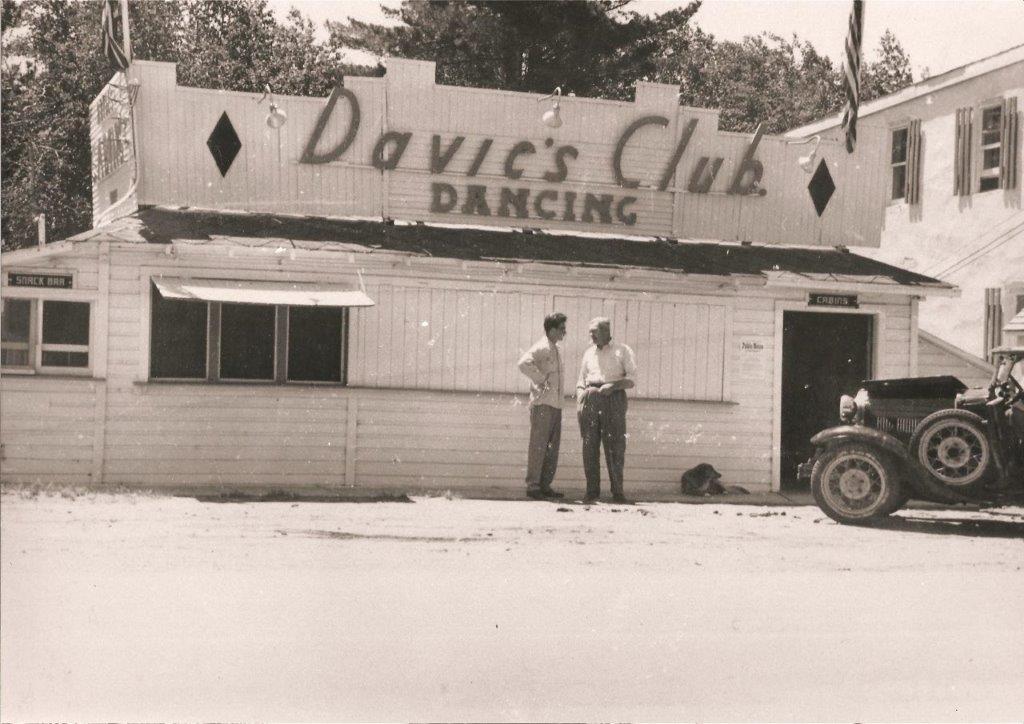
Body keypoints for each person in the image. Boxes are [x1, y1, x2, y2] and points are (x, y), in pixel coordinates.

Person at [576, 316, 636, 504]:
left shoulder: (623, 350)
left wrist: (613, 386)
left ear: (606, 332)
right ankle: (592, 492)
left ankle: (617, 492)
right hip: (591, 398)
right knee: (589, 446)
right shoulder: (588, 353)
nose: (591, 335)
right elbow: (581, 379)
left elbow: (632, 379)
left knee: (615, 446)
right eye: (590, 332)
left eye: (594, 332)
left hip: (613, 398)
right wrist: (581, 397)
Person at [517, 312, 568, 500]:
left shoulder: (555, 349)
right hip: (542, 403)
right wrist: (540, 379)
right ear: (552, 329)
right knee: (539, 445)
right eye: (562, 329)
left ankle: (545, 485)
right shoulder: (541, 347)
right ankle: (533, 486)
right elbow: (523, 363)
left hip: (555, 404)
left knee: (552, 447)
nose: (564, 332)